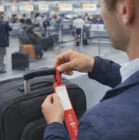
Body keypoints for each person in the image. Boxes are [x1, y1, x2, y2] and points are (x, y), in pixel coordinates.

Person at [42, 0, 139, 139]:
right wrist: (94, 65)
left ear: (125, 10)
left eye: (102, 6)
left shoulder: (101, 125)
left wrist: (54, 125)